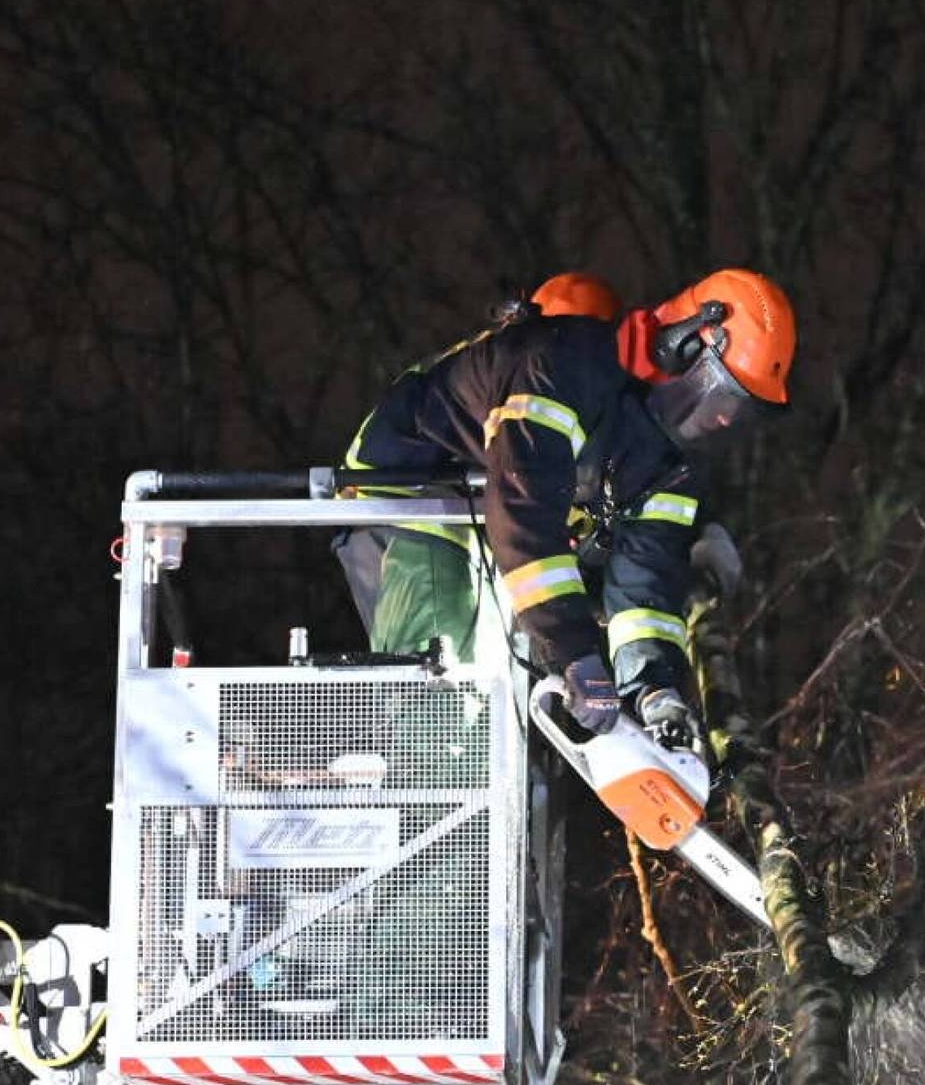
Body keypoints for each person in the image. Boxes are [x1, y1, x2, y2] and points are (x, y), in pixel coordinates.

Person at [337, 269, 795, 745]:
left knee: (497, 714)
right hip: (416, 493)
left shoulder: (668, 462)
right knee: (447, 703)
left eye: (739, 414)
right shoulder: (559, 365)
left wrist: (655, 689)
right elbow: (525, 508)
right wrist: (575, 649)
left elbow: (645, 579)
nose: (723, 418)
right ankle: (422, 791)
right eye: (722, 396)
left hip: (485, 519)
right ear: (681, 344)